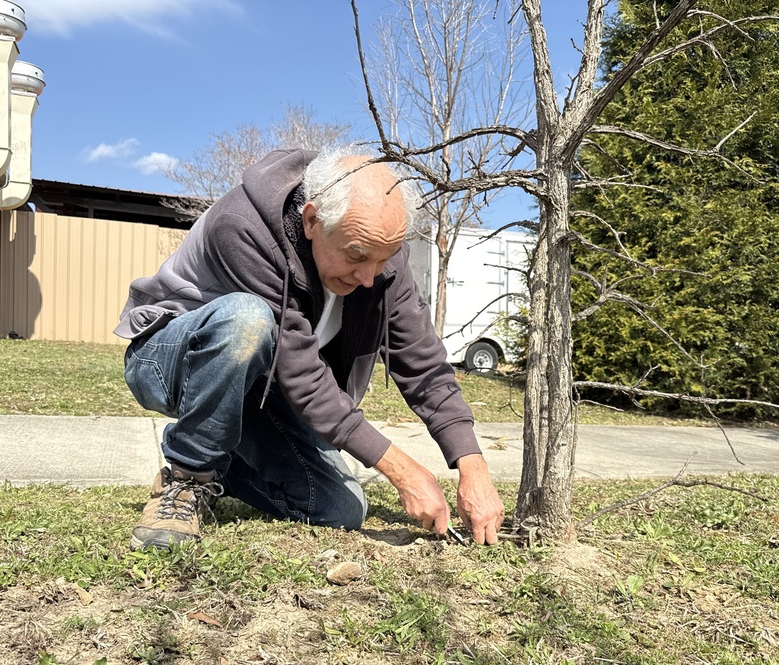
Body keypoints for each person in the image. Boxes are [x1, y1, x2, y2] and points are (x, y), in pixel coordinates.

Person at [114, 147, 505, 550]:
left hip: (261, 391)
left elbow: (421, 361)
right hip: (168, 360)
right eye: (357, 255)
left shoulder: (380, 255)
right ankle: (186, 479)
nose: (369, 276)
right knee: (246, 320)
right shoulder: (243, 226)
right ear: (313, 220)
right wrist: (403, 471)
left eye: (383, 258)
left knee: (341, 508)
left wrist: (472, 466)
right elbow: (302, 374)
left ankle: (222, 467)